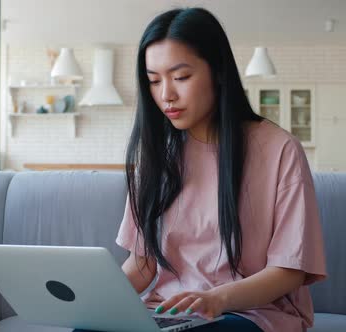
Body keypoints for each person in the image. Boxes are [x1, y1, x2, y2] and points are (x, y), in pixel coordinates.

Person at [82, 7, 327, 332]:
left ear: (219, 72)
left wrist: (217, 299)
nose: (166, 95)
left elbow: (290, 270)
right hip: (165, 314)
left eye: (181, 77)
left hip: (250, 314)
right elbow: (142, 265)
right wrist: (92, 304)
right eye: (154, 81)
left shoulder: (280, 150)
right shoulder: (155, 157)